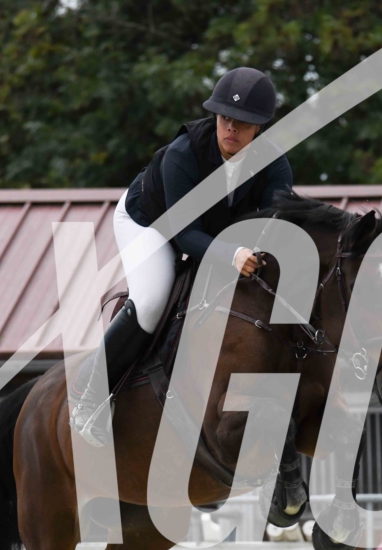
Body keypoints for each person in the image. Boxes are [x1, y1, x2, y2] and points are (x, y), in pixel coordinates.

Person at [72, 66, 294, 447]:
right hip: (150, 224)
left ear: (260, 127)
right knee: (152, 300)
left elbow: (277, 224)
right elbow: (185, 236)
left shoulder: (274, 164)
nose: (231, 128)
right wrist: (232, 253)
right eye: (224, 117)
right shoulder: (183, 154)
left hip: (208, 233)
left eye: (242, 122)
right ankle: (90, 399)